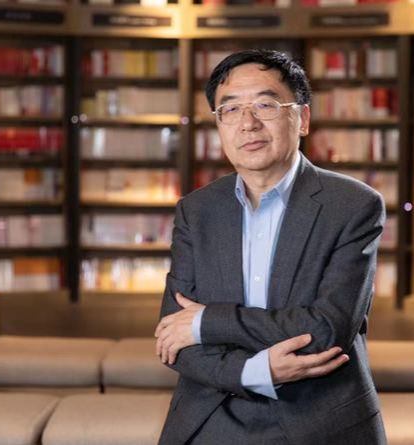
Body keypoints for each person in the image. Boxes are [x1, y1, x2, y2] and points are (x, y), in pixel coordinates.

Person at [154, 49, 387, 444]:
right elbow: (173, 337)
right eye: (230, 109)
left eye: (265, 105)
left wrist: (206, 322)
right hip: (212, 412)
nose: (248, 123)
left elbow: (326, 330)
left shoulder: (352, 206)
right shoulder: (197, 211)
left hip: (319, 417)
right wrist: (255, 372)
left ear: (303, 119)